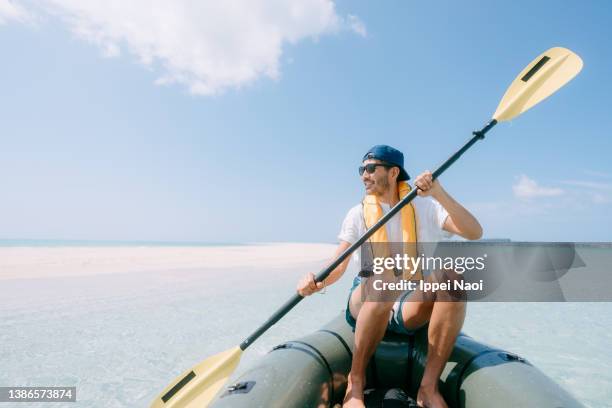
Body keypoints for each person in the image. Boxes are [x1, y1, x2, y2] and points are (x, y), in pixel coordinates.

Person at [297, 145, 482, 408]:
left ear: (394, 172)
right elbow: (340, 262)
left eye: (371, 168)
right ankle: (355, 383)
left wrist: (439, 193)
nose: (364, 175)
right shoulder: (358, 212)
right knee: (383, 281)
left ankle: (428, 389)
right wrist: (317, 280)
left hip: (408, 303)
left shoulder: (424, 207)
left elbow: (474, 232)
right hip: (367, 297)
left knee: (453, 278)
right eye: (361, 170)